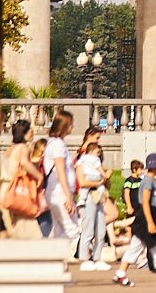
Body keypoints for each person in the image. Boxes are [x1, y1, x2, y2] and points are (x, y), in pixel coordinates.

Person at [71, 133, 110, 269]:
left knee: (101, 229)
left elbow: (105, 182)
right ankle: (83, 257)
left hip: (98, 197)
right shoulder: (81, 164)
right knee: (88, 229)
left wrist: (105, 179)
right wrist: (100, 181)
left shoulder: (96, 166)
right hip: (88, 198)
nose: (97, 156)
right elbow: (82, 182)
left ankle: (97, 257)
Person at [125, 156, 156, 273]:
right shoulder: (148, 181)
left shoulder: (149, 180)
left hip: (149, 214)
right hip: (147, 215)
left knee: (136, 246)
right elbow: (145, 201)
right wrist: (150, 222)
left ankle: (121, 272)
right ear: (155, 167)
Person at [43, 111, 79, 242]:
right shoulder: (58, 145)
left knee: (59, 229)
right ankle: (77, 259)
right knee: (73, 229)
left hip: (57, 192)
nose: (72, 126)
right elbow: (60, 171)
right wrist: (68, 196)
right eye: (70, 124)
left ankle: (57, 258)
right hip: (59, 192)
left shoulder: (56, 143)